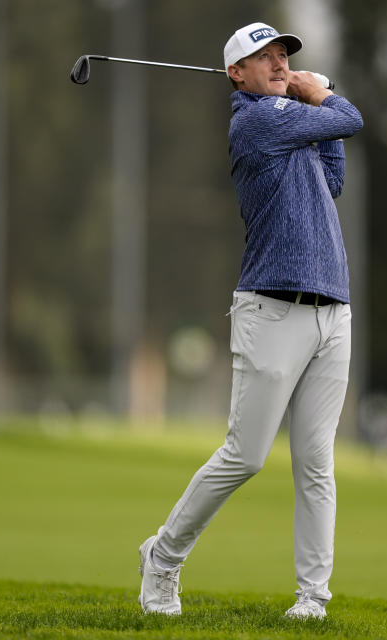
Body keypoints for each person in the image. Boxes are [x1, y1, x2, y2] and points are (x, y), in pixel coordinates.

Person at [136, 22, 363, 620]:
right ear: (236, 74)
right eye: (264, 57)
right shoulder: (258, 121)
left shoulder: (291, 124)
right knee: (246, 454)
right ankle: (162, 557)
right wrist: (324, 92)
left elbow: (333, 177)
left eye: (284, 54)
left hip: (331, 311)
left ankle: (312, 598)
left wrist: (315, 99)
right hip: (272, 309)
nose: (279, 63)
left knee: (317, 463)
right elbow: (350, 119)